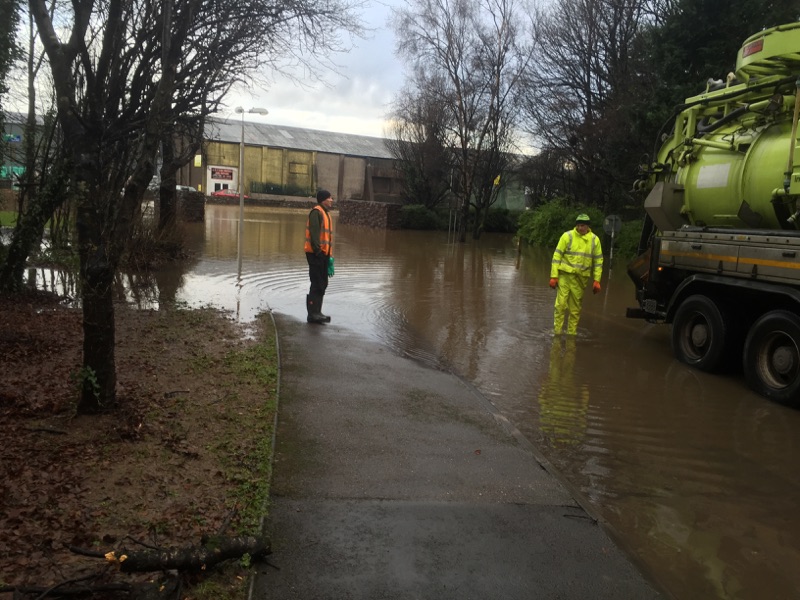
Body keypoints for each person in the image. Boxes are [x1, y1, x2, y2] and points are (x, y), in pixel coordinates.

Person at [549, 213, 603, 335]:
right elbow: (557, 256)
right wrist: (554, 276)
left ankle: (571, 336)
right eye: (578, 225)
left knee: (575, 310)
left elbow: (598, 261)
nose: (579, 228)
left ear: (588, 226)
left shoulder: (595, 240)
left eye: (582, 225)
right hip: (565, 276)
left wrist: (597, 280)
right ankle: (557, 333)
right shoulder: (567, 236)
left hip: (580, 279)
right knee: (560, 305)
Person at [304, 189, 334, 324]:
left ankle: (317, 312)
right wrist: (319, 253)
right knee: (316, 283)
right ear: (323, 199)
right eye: (330, 198)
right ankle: (313, 314)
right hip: (316, 254)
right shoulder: (316, 212)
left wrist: (329, 257)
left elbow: (326, 237)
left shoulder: (326, 214)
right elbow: (315, 236)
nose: (332, 200)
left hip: (323, 255)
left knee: (322, 283)